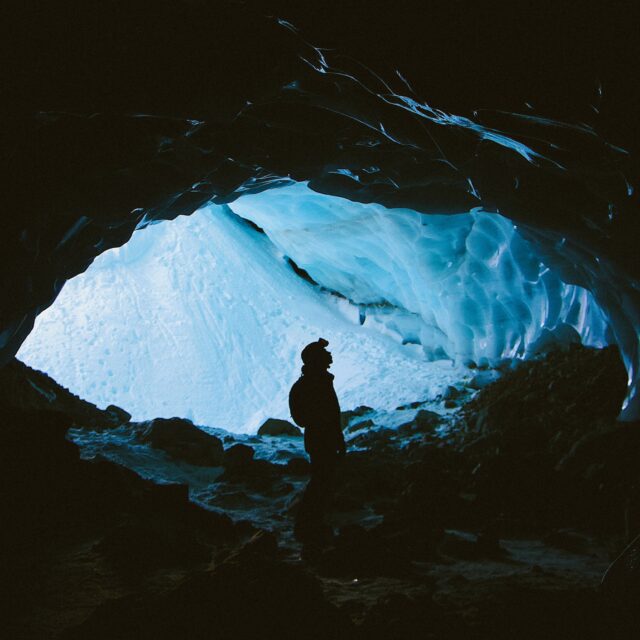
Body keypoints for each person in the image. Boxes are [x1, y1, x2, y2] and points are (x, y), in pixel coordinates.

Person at [289, 338, 346, 544]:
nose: (329, 356)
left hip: (321, 438)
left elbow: (302, 417)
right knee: (322, 481)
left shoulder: (311, 383)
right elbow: (317, 416)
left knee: (322, 481)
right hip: (322, 438)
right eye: (324, 353)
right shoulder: (315, 383)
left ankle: (310, 524)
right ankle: (308, 525)